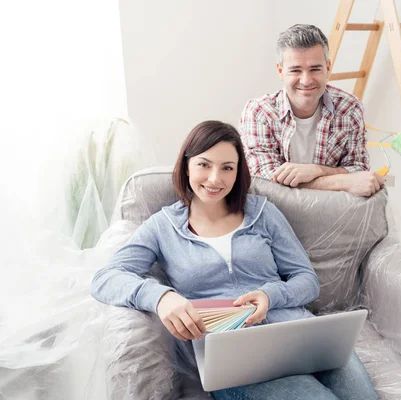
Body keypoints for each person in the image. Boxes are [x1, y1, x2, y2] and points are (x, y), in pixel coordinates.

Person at [91, 120, 378, 399]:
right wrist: (161, 297)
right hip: (233, 356)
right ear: (187, 164)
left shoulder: (263, 212)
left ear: (238, 172)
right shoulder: (162, 226)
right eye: (204, 164)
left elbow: (307, 281)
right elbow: (106, 278)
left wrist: (270, 294)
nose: (215, 179)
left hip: (299, 335)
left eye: (227, 168)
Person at [239, 24, 385, 197]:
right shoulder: (259, 112)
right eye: (295, 70)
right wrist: (339, 180)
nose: (306, 81)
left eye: (315, 69)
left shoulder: (350, 108)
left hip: (332, 212)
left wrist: (315, 170)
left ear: (328, 67)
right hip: (274, 214)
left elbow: (358, 168)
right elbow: (265, 181)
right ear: (280, 71)